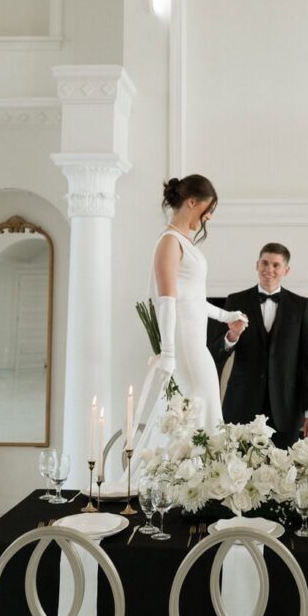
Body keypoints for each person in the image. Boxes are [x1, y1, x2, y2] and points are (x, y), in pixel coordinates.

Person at [129, 175, 247, 455]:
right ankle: (194, 473)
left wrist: (226, 316)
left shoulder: (183, 241)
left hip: (195, 344)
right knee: (201, 409)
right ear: (192, 202)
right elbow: (167, 301)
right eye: (208, 209)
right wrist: (169, 354)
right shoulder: (169, 242)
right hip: (184, 346)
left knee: (200, 411)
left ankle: (192, 474)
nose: (209, 217)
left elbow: (193, 300)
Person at [208, 243, 308, 448]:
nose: (269, 269)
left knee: (284, 468)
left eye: (276, 265)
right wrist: (232, 335)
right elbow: (215, 353)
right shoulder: (236, 300)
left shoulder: (300, 306)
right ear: (257, 265)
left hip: (286, 409)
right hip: (241, 405)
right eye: (265, 263)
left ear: (286, 270)